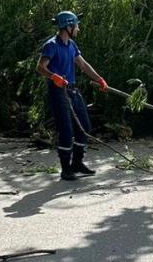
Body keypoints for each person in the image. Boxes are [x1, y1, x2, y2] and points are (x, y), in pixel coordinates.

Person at [36, 10, 110, 181]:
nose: (78, 28)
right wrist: (53, 76)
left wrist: (99, 79)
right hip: (58, 92)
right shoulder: (52, 45)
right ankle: (65, 169)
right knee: (66, 131)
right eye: (76, 25)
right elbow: (40, 67)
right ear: (68, 26)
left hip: (73, 91)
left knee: (85, 126)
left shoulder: (72, 45)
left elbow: (82, 64)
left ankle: (77, 163)